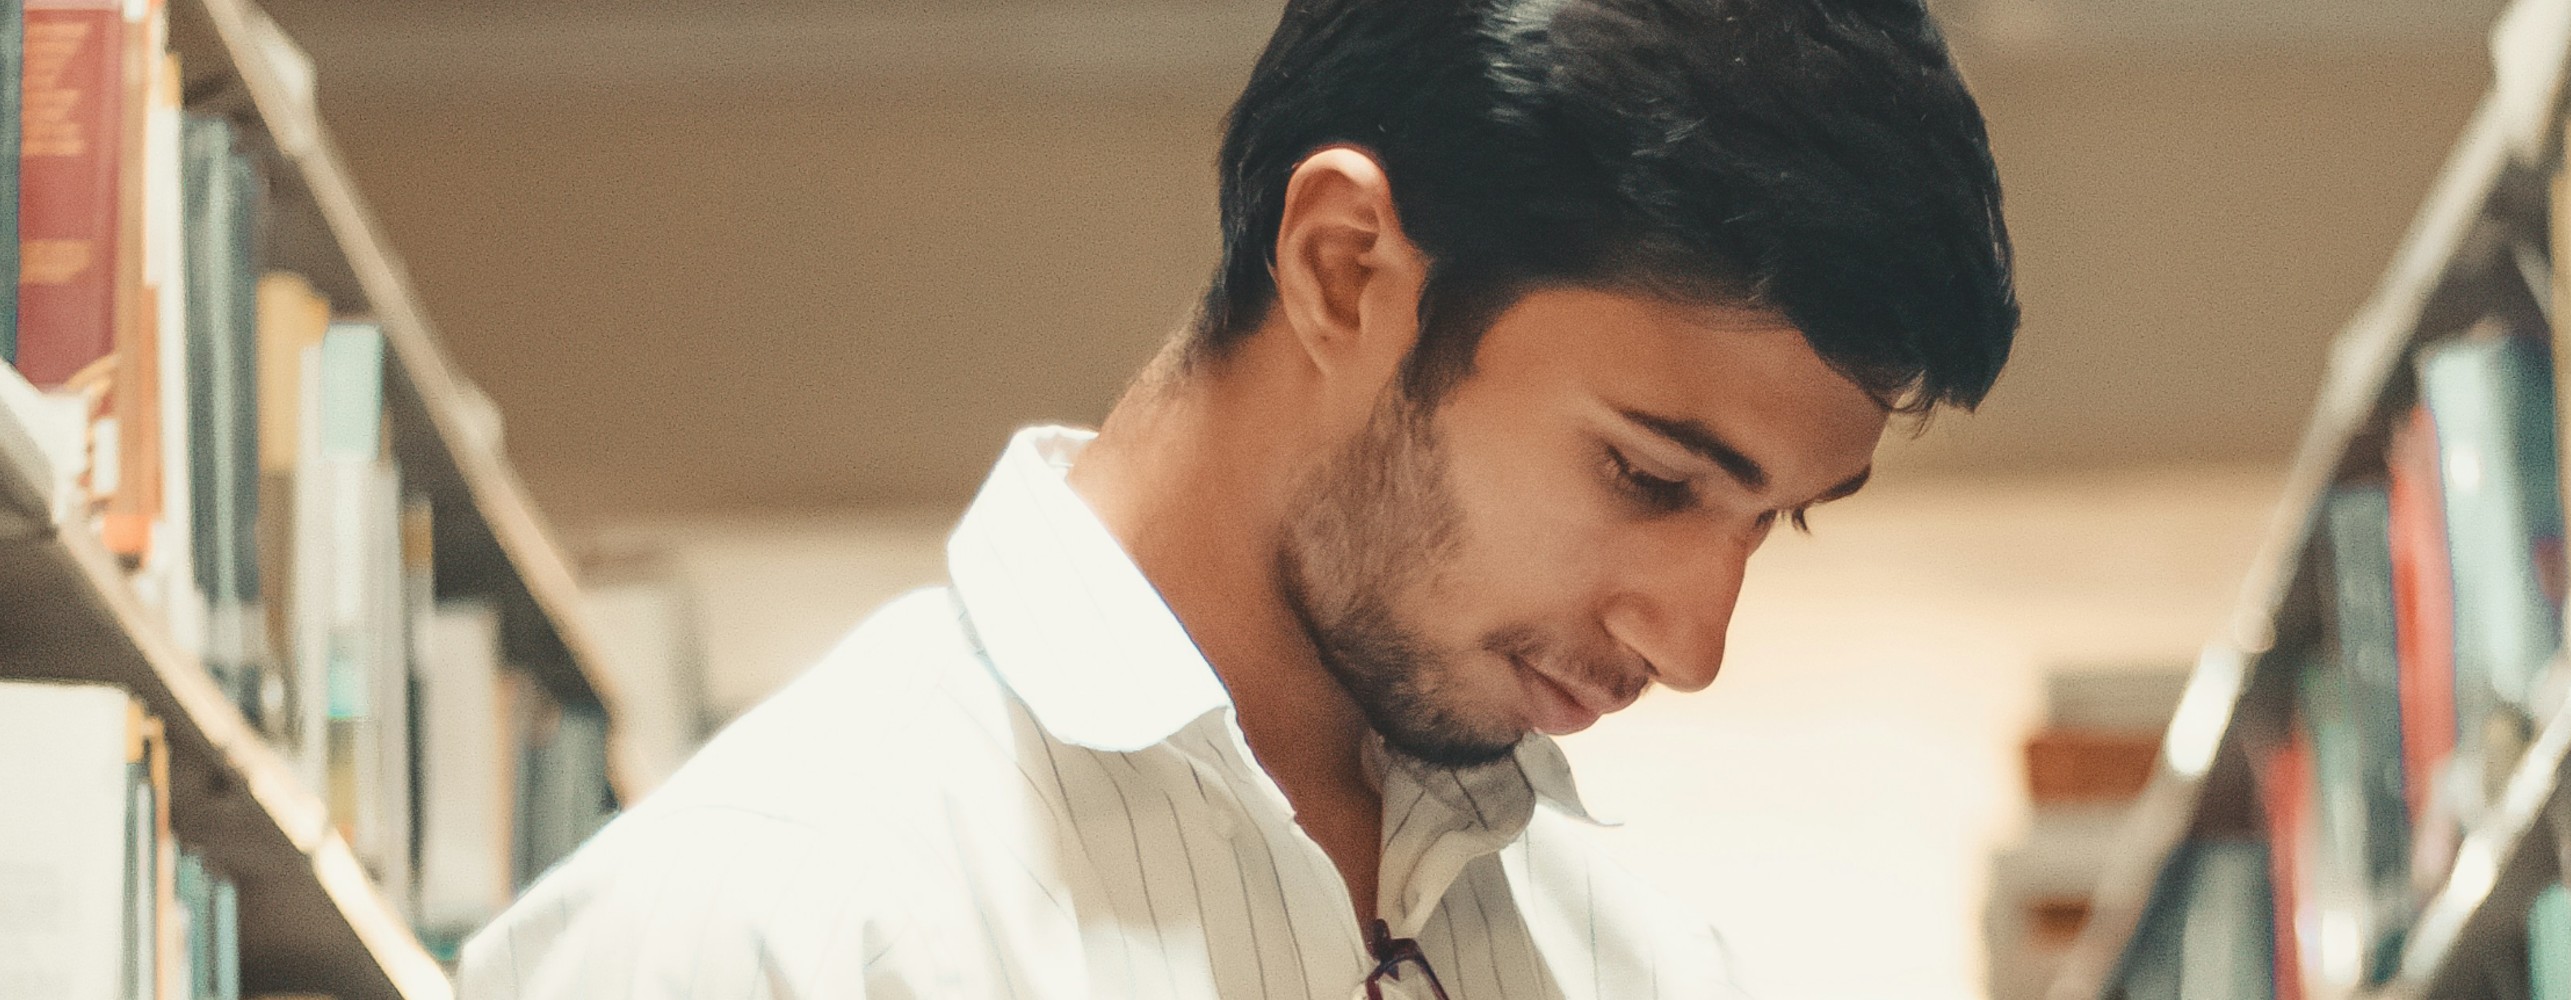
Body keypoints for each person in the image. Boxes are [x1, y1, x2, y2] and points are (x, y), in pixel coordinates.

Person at [457, 0, 2017, 995]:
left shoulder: (1641, 968)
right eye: (1651, 476)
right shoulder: (750, 936)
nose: (1692, 645)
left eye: (1777, 521)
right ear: (1344, 268)